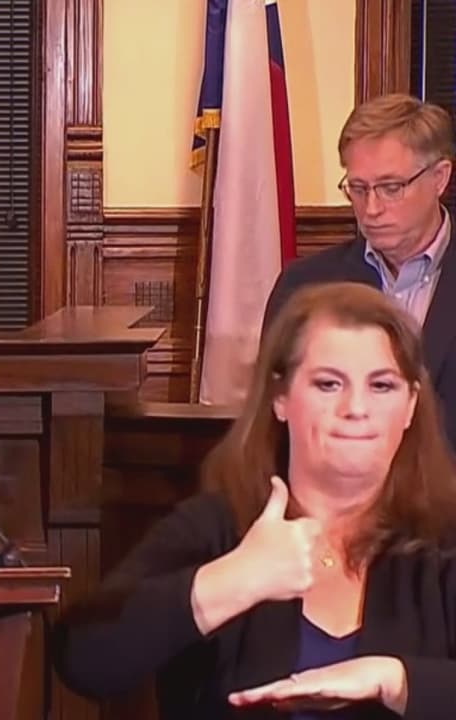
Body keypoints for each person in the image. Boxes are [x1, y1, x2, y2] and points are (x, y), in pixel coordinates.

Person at [55, 282, 456, 719]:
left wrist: (396, 681)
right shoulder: (216, 527)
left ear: (411, 404)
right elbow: (85, 658)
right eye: (328, 384)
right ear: (280, 398)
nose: (356, 408)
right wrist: (236, 579)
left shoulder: (445, 539)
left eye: (381, 386)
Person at [264, 94, 456, 449]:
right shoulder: (305, 286)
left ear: (439, 178)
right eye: (358, 188)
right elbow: (273, 428)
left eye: (391, 188)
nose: (371, 208)